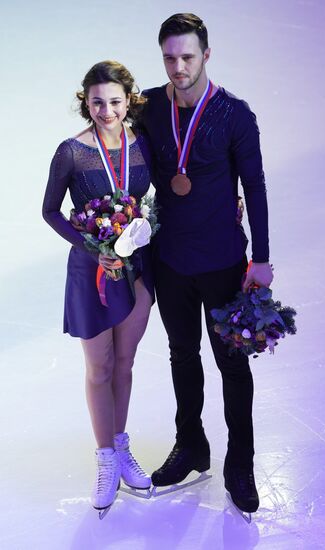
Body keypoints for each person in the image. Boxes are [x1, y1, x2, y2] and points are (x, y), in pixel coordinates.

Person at [141, 13, 273, 515]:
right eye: (170, 57)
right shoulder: (150, 106)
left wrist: (260, 257)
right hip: (171, 259)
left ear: (207, 56)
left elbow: (255, 187)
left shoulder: (235, 115)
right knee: (181, 355)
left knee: (232, 365)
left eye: (187, 57)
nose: (178, 67)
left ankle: (240, 464)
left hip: (222, 262)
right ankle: (193, 446)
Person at [42, 61, 154, 515]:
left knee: (125, 362)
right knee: (100, 368)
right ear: (84, 103)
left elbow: (158, 195)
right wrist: (91, 246)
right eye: (96, 102)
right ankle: (105, 458)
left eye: (114, 101)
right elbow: (51, 211)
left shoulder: (142, 143)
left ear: (129, 101)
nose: (106, 111)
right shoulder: (71, 152)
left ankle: (121, 445)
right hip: (92, 275)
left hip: (140, 268)